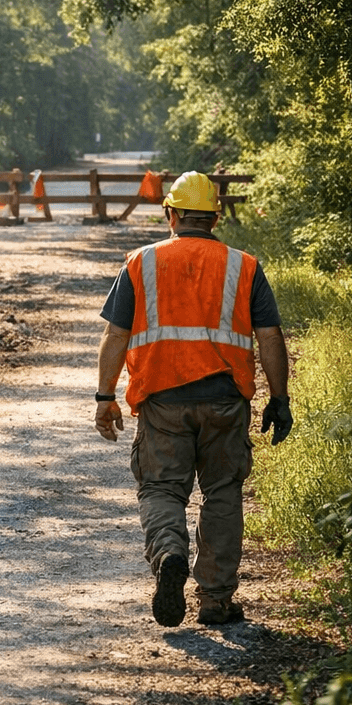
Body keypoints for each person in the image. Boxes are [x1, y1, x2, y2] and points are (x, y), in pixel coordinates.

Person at [92, 170, 292, 628]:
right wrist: (279, 399)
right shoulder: (244, 266)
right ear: (214, 217)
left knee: (162, 488)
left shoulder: (140, 263)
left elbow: (115, 335)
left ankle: (169, 552)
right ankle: (215, 601)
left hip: (162, 400)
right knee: (222, 493)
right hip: (225, 401)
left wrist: (105, 396)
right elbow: (270, 337)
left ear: (172, 214)